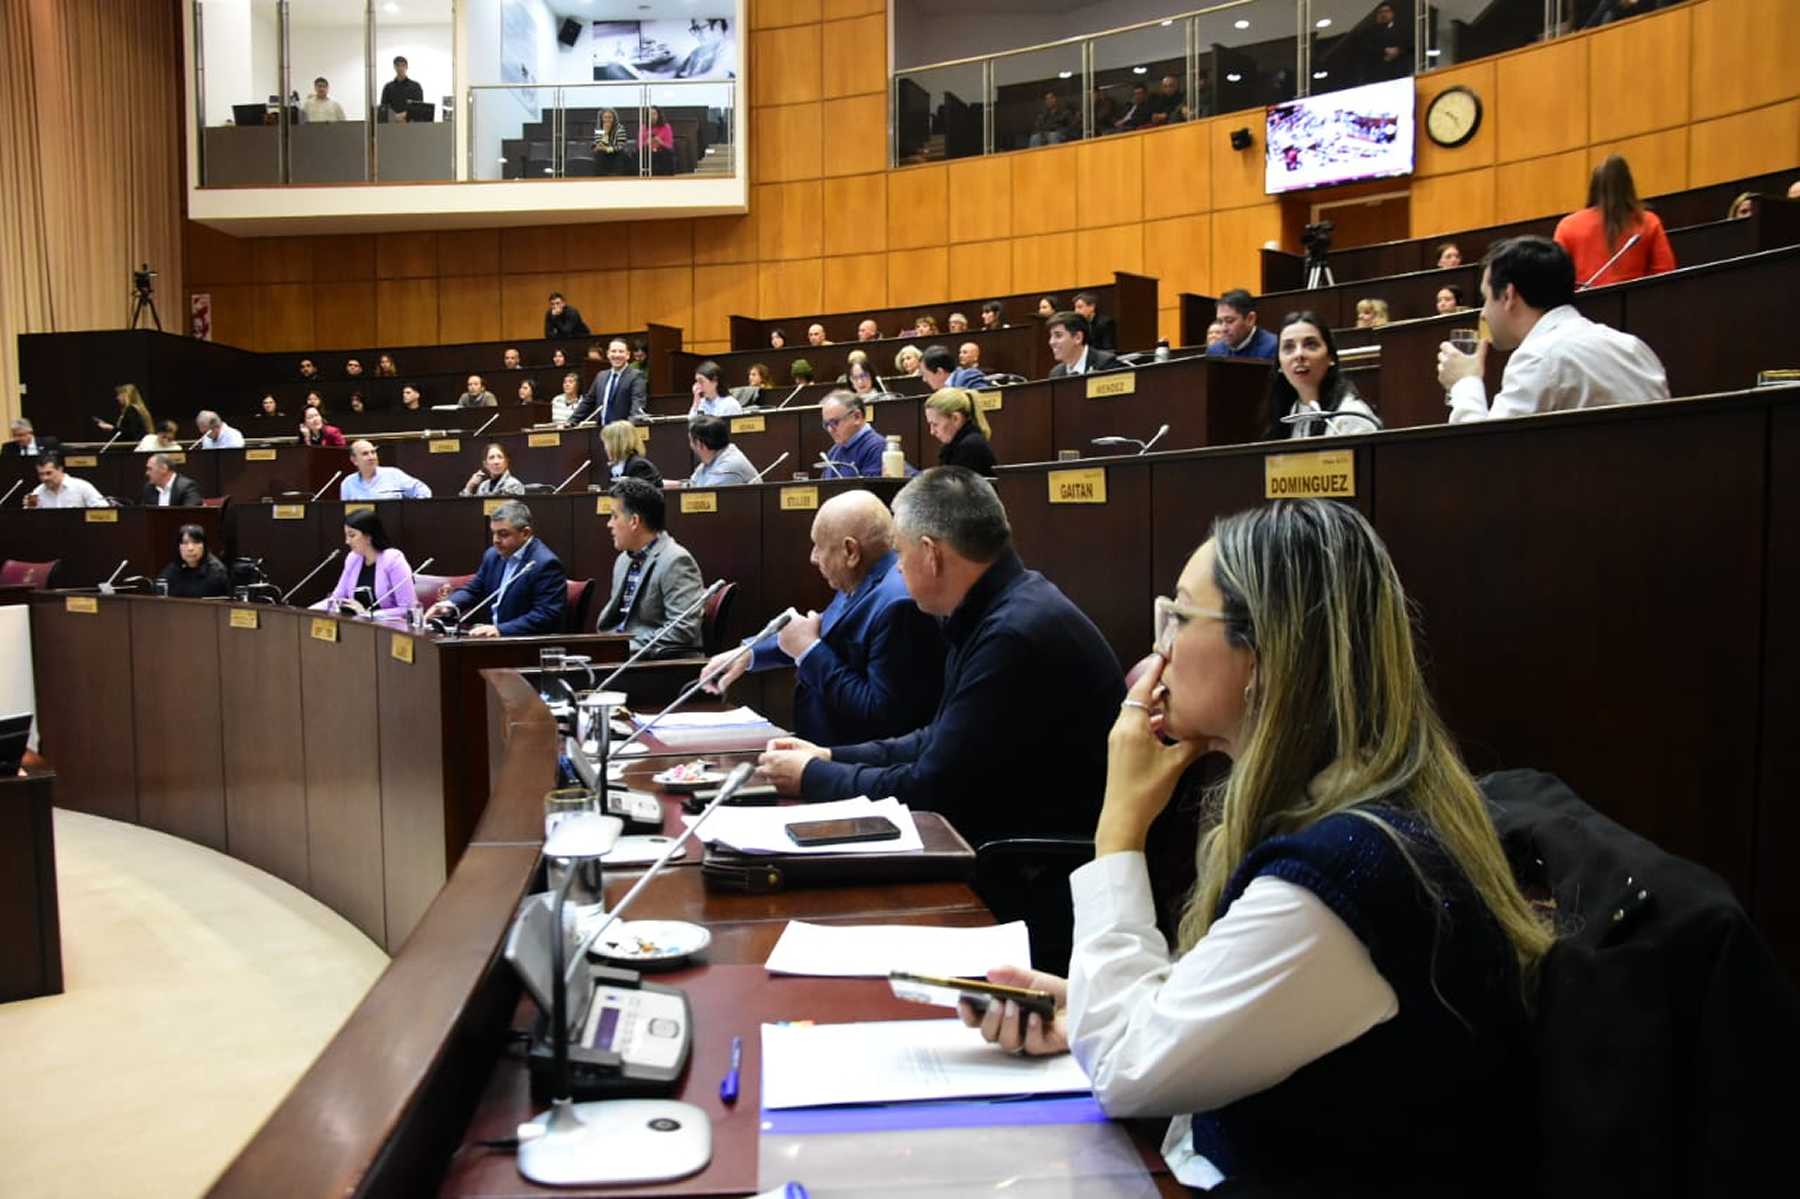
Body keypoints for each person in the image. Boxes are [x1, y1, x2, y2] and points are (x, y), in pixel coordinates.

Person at [963, 500, 1553, 1193]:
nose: (1161, 650)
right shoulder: (1364, 810)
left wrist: (1118, 827)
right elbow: (1197, 1026)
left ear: (1266, 656)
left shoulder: (1343, 876)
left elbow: (1126, 1071)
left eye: (1180, 618)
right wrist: (1087, 1007)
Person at [758, 467, 1123, 848]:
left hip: (1022, 858)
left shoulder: (1012, 635)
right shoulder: (1001, 607)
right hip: (998, 824)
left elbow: (932, 788)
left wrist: (813, 776)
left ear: (931, 554)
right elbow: (939, 737)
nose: (898, 567)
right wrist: (829, 755)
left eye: (900, 551)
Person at [704, 491, 945, 744]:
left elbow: (882, 715)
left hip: (860, 768)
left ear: (851, 551)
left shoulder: (899, 604)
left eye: (819, 546)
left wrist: (808, 650)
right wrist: (750, 652)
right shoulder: (862, 580)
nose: (813, 557)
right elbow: (822, 632)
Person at [1438, 235, 1669, 423]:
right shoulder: (1634, 347)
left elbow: (1482, 458)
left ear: (1508, 296)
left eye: (1486, 298)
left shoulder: (1539, 357)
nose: (1484, 314)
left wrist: (1465, 381)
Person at [595, 478, 704, 655]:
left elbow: (682, 629)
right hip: (620, 655)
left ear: (634, 521)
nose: (609, 524)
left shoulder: (676, 560)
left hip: (658, 665)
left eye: (614, 516)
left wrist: (625, 649)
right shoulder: (623, 560)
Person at [428, 501, 567, 637]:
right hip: (491, 638)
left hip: (522, 643)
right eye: (494, 533)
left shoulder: (545, 564)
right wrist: (449, 605)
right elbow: (473, 590)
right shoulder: (493, 555)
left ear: (525, 533)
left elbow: (546, 614)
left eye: (503, 534)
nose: (496, 540)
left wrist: (501, 629)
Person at [1554, 154, 1677, 286]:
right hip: (1638, 303)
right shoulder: (1648, 222)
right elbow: (1665, 275)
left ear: (1593, 187)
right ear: (1629, 185)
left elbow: (1554, 278)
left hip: (1584, 304)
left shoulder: (1568, 226)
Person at [1265, 314, 1381, 439]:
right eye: (1288, 347)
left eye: (1310, 345)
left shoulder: (1352, 417)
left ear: (1330, 357)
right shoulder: (1283, 415)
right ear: (1280, 364)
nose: (1298, 355)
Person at [315, 508, 417, 617]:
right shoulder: (353, 558)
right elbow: (336, 598)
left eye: (352, 535)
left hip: (390, 629)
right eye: (346, 536)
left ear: (368, 537)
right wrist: (309, 611)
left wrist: (368, 615)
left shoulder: (393, 560)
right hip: (359, 626)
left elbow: (408, 609)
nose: (347, 541)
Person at [574, 338, 648, 425]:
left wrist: (628, 427)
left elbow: (637, 407)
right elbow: (588, 402)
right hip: (602, 432)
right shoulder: (601, 376)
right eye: (613, 351)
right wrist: (571, 421)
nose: (617, 355)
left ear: (628, 355)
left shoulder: (636, 376)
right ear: (608, 354)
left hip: (624, 432)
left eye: (621, 351)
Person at [926, 387, 997, 476]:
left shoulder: (970, 447)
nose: (932, 432)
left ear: (956, 418)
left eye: (935, 424)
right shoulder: (958, 445)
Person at [819, 391, 888, 477]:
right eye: (826, 424)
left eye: (834, 422)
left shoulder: (878, 448)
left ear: (857, 417)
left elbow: (869, 488)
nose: (830, 429)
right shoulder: (834, 451)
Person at [338, 438, 432, 499]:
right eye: (365, 454)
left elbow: (423, 490)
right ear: (354, 460)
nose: (372, 457)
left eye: (373, 452)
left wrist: (413, 510)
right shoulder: (348, 483)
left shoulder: (393, 474)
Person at [157, 524, 231, 598]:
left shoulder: (217, 572)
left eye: (196, 542)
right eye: (185, 543)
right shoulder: (172, 569)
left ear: (204, 546)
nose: (190, 548)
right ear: (178, 547)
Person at [685, 415, 759, 487]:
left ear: (699, 444)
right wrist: (679, 485)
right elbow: (694, 484)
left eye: (690, 440)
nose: (690, 445)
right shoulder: (714, 458)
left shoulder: (728, 467)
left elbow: (703, 495)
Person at [1205, 289, 1278, 360]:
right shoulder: (1214, 351)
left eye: (1229, 321)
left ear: (1250, 319)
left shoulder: (1273, 348)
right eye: (1220, 321)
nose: (1223, 329)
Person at [1047, 311, 1117, 377]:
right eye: (1051, 336)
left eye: (1058, 336)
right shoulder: (1056, 373)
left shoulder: (1107, 364)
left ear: (1078, 337)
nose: (1051, 342)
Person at [26, 454, 108, 508]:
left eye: (49, 473)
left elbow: (103, 509)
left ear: (60, 469)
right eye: (41, 474)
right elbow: (30, 519)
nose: (44, 478)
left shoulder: (82, 486)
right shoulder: (37, 492)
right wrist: (29, 506)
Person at [602, 419, 662, 487]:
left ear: (617, 443)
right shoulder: (615, 466)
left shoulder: (639, 465)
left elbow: (644, 493)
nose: (605, 447)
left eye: (606, 443)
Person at [1362, 1, 1412, 82]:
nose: (1383, 14)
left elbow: (1408, 45)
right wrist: (1384, 50)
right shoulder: (1371, 32)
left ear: (1392, 13)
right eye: (1380, 12)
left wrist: (1398, 50)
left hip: (1398, 72)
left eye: (1386, 11)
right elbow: (1368, 47)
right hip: (1378, 74)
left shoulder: (1401, 29)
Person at [461, 442, 527, 497]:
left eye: (500, 457)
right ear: (485, 464)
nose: (496, 462)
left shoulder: (514, 485)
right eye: (491, 458)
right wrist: (469, 486)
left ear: (506, 462)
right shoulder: (483, 486)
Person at [920, 344, 988, 391]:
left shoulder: (968, 377)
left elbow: (986, 401)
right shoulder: (942, 390)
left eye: (925, 374)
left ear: (939, 372)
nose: (924, 379)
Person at [379, 56, 423, 121]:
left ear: (407, 67)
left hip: (411, 123)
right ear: (394, 67)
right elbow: (383, 108)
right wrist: (395, 117)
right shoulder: (388, 87)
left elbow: (419, 107)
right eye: (398, 65)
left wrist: (403, 115)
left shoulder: (416, 86)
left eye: (403, 65)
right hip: (392, 124)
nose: (400, 68)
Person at [593, 108, 634, 176]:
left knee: (621, 154)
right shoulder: (599, 129)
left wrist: (607, 149)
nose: (607, 120)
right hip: (603, 154)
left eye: (610, 117)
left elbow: (620, 146)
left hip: (616, 153)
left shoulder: (620, 128)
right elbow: (599, 145)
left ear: (614, 118)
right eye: (605, 117)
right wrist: (606, 133)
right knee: (599, 154)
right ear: (601, 118)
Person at [641, 105, 676, 176]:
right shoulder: (643, 127)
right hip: (648, 152)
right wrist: (647, 142)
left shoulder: (666, 127)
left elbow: (669, 145)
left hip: (662, 152)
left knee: (666, 154)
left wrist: (660, 142)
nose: (652, 116)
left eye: (654, 114)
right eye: (650, 114)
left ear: (658, 115)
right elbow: (639, 145)